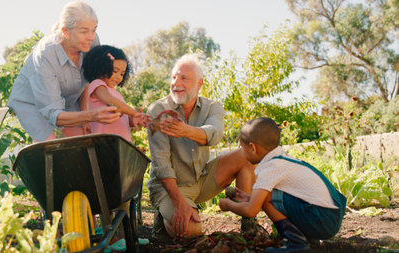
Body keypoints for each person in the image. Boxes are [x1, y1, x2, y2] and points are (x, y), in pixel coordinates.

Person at [146, 54, 257, 238]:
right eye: (173, 77)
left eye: (184, 78)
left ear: (199, 84)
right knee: (191, 232)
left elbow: (215, 134)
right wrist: (180, 203)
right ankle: (164, 216)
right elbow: (161, 165)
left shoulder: (212, 107)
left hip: (201, 178)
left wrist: (185, 131)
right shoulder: (158, 111)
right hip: (170, 187)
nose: (176, 83)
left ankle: (249, 226)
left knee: (245, 156)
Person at [219, 117, 347, 252]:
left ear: (252, 148)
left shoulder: (270, 168)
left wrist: (228, 205)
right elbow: (260, 202)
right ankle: (306, 238)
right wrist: (248, 198)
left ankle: (296, 242)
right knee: (268, 195)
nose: (242, 153)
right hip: (329, 216)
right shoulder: (281, 158)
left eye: (243, 149)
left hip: (323, 220)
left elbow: (252, 210)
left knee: (268, 195)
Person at [7, 1, 120, 142]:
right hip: (32, 102)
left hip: (68, 97)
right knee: (50, 147)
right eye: (84, 31)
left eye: (94, 29)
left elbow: (86, 80)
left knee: (84, 143)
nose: (91, 36)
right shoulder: (45, 53)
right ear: (66, 31)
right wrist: (91, 115)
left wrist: (85, 115)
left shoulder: (92, 43)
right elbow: (53, 114)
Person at [81, 45, 150, 142]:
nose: (118, 77)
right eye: (115, 71)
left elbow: (122, 119)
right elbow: (111, 102)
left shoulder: (117, 94)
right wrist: (135, 113)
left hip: (121, 143)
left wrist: (133, 120)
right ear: (101, 67)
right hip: (105, 144)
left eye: (122, 74)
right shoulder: (97, 85)